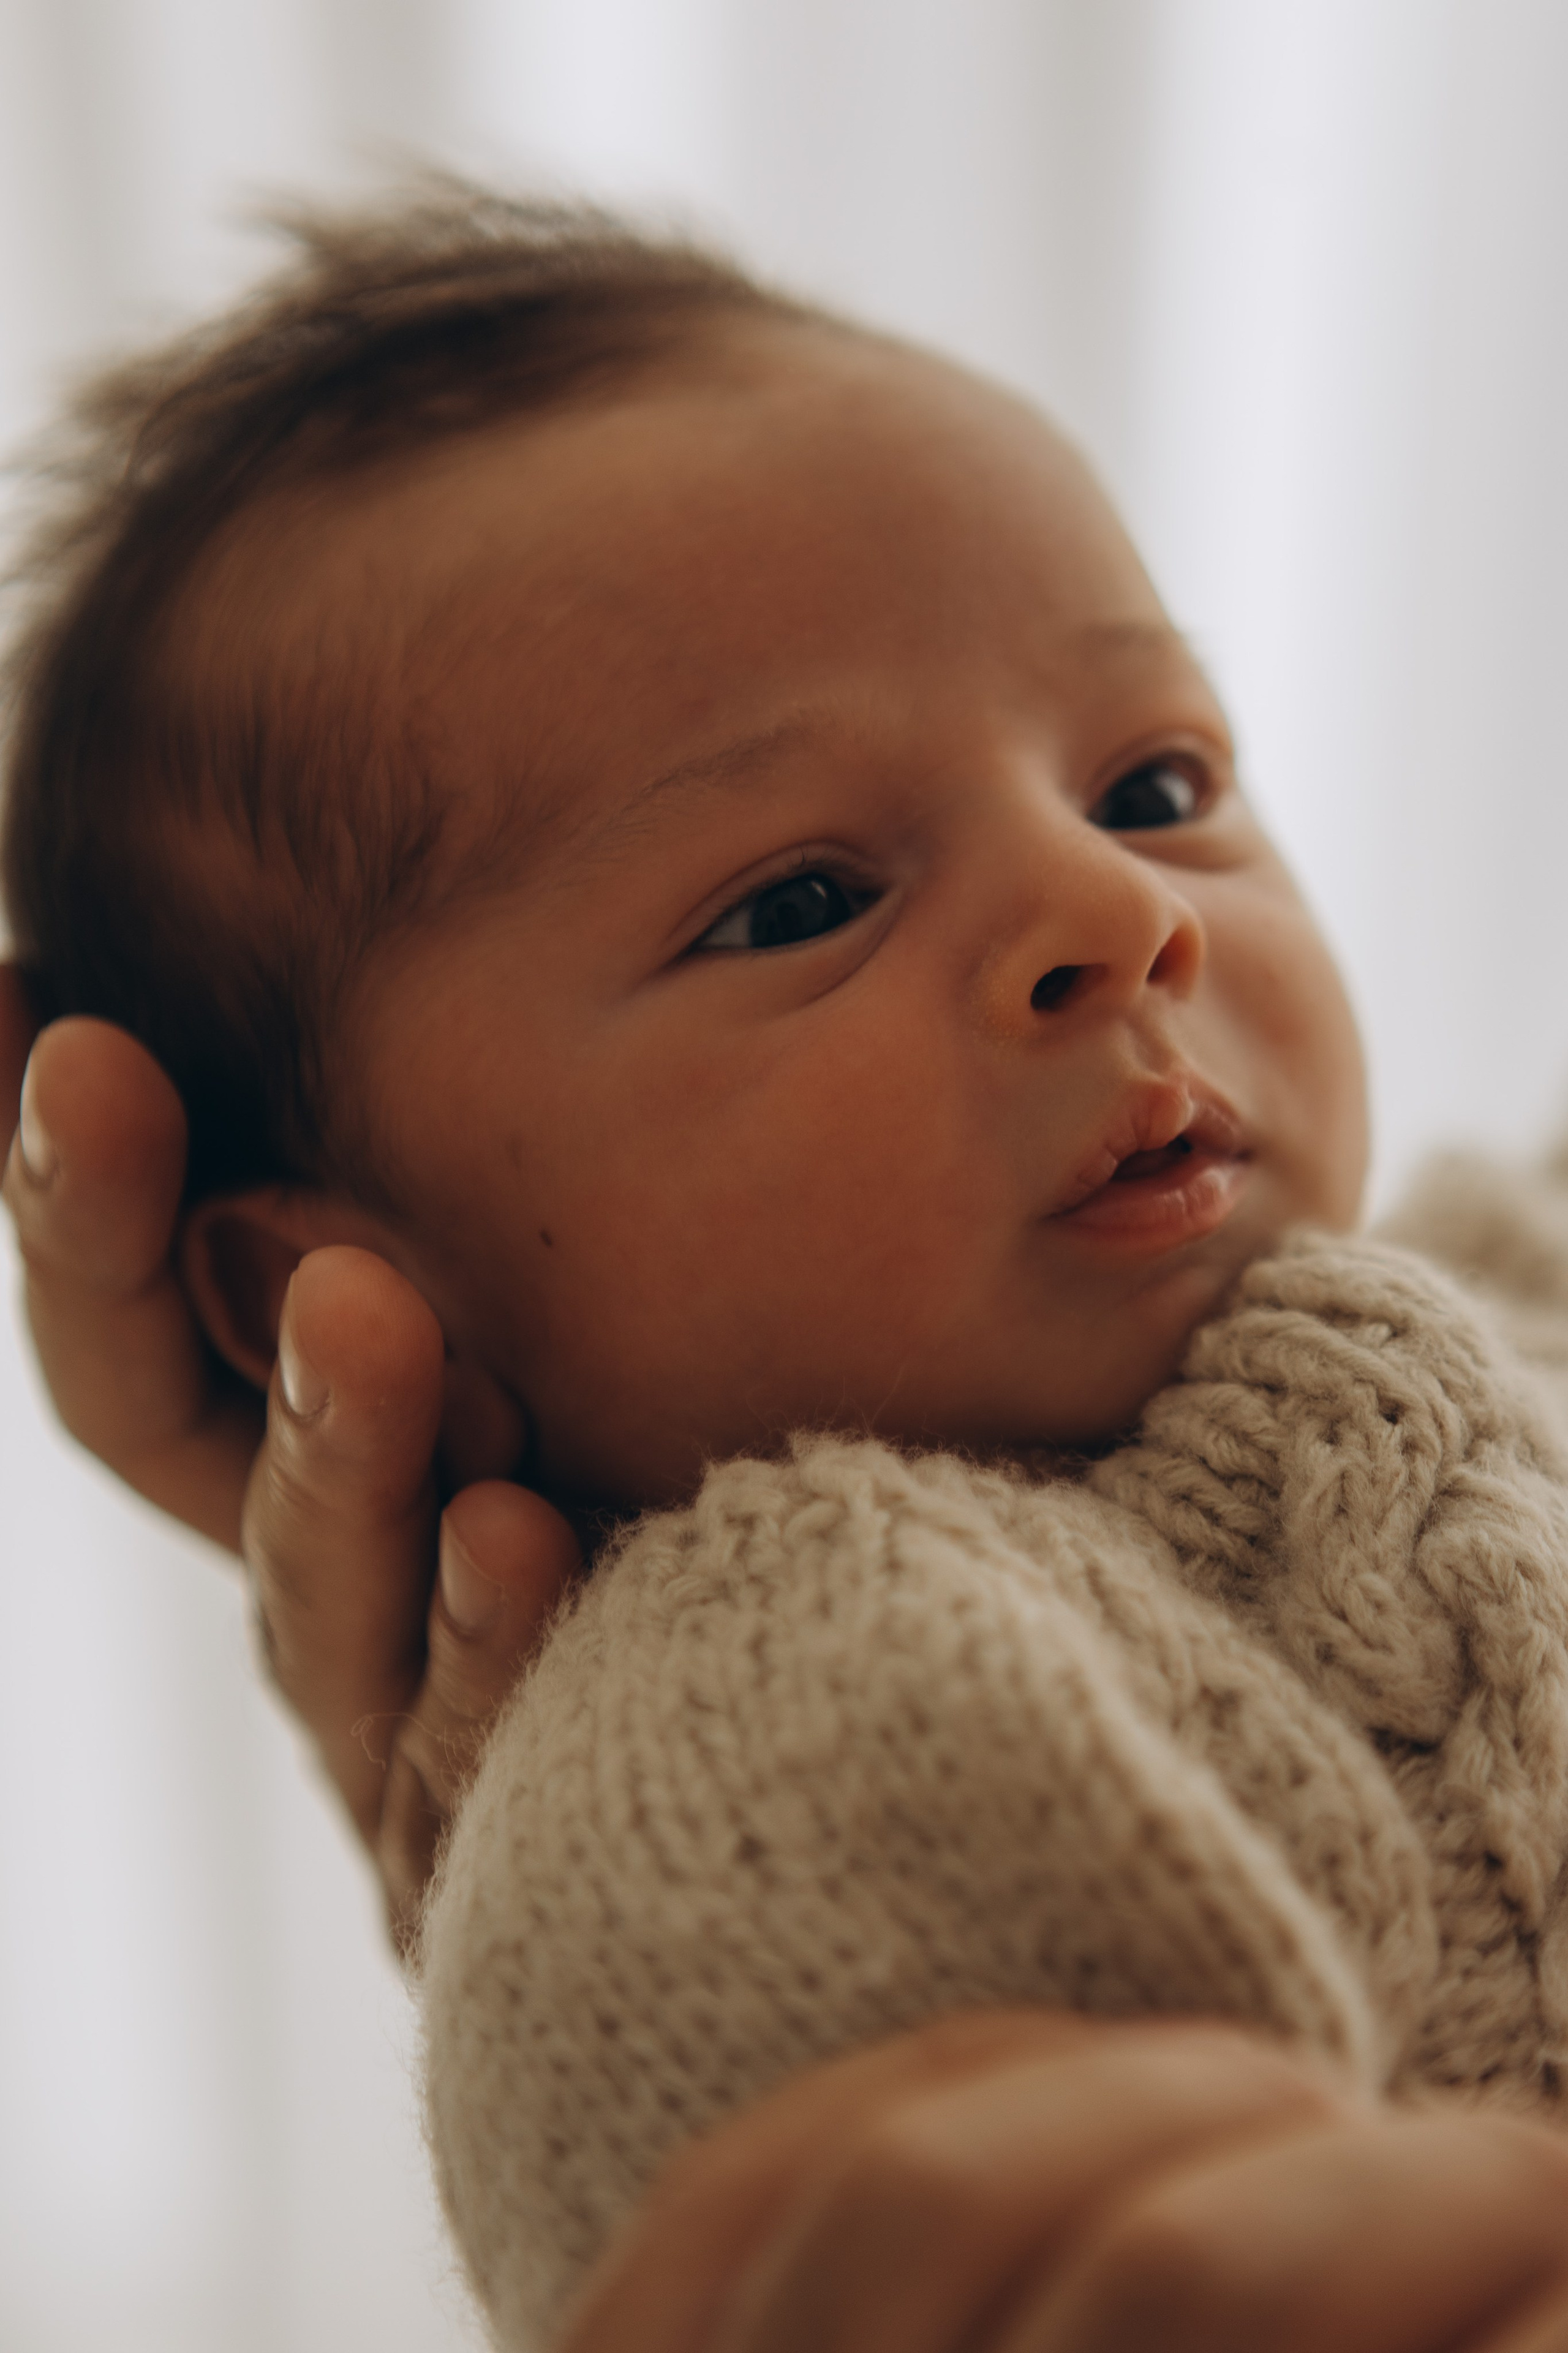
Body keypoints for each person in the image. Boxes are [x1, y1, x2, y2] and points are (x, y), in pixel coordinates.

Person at [6, 186, 1568, 2351]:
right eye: (800, 899)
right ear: (335, 1290)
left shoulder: (1492, 1265)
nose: (1116, 910)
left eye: (1156, 777)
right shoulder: (774, 1708)